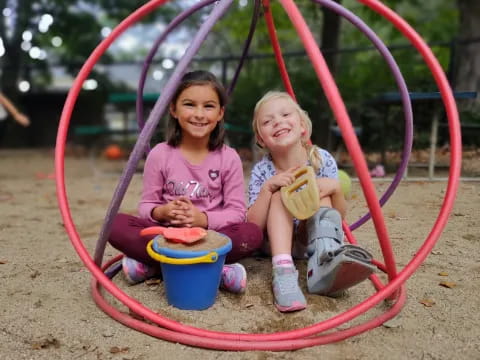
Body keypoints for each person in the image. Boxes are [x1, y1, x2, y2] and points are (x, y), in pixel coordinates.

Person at [108, 70, 263, 294]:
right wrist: (163, 212)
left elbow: (237, 211)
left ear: (220, 113)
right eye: (189, 104)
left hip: (209, 237)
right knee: (115, 224)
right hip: (166, 234)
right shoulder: (160, 154)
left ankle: (156, 265)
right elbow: (146, 206)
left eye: (208, 106)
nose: (199, 114)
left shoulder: (228, 157)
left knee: (251, 233)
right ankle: (213, 269)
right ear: (173, 109)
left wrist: (202, 219)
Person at [247, 91, 375, 312]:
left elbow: (339, 216)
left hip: (313, 239)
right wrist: (268, 189)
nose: (278, 121)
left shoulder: (321, 159)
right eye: (267, 121)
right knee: (281, 194)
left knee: (322, 192)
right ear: (260, 139)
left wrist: (335, 189)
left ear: (302, 126)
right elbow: (252, 227)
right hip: (276, 243)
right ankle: (283, 272)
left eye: (285, 114)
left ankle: (327, 260)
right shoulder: (262, 170)